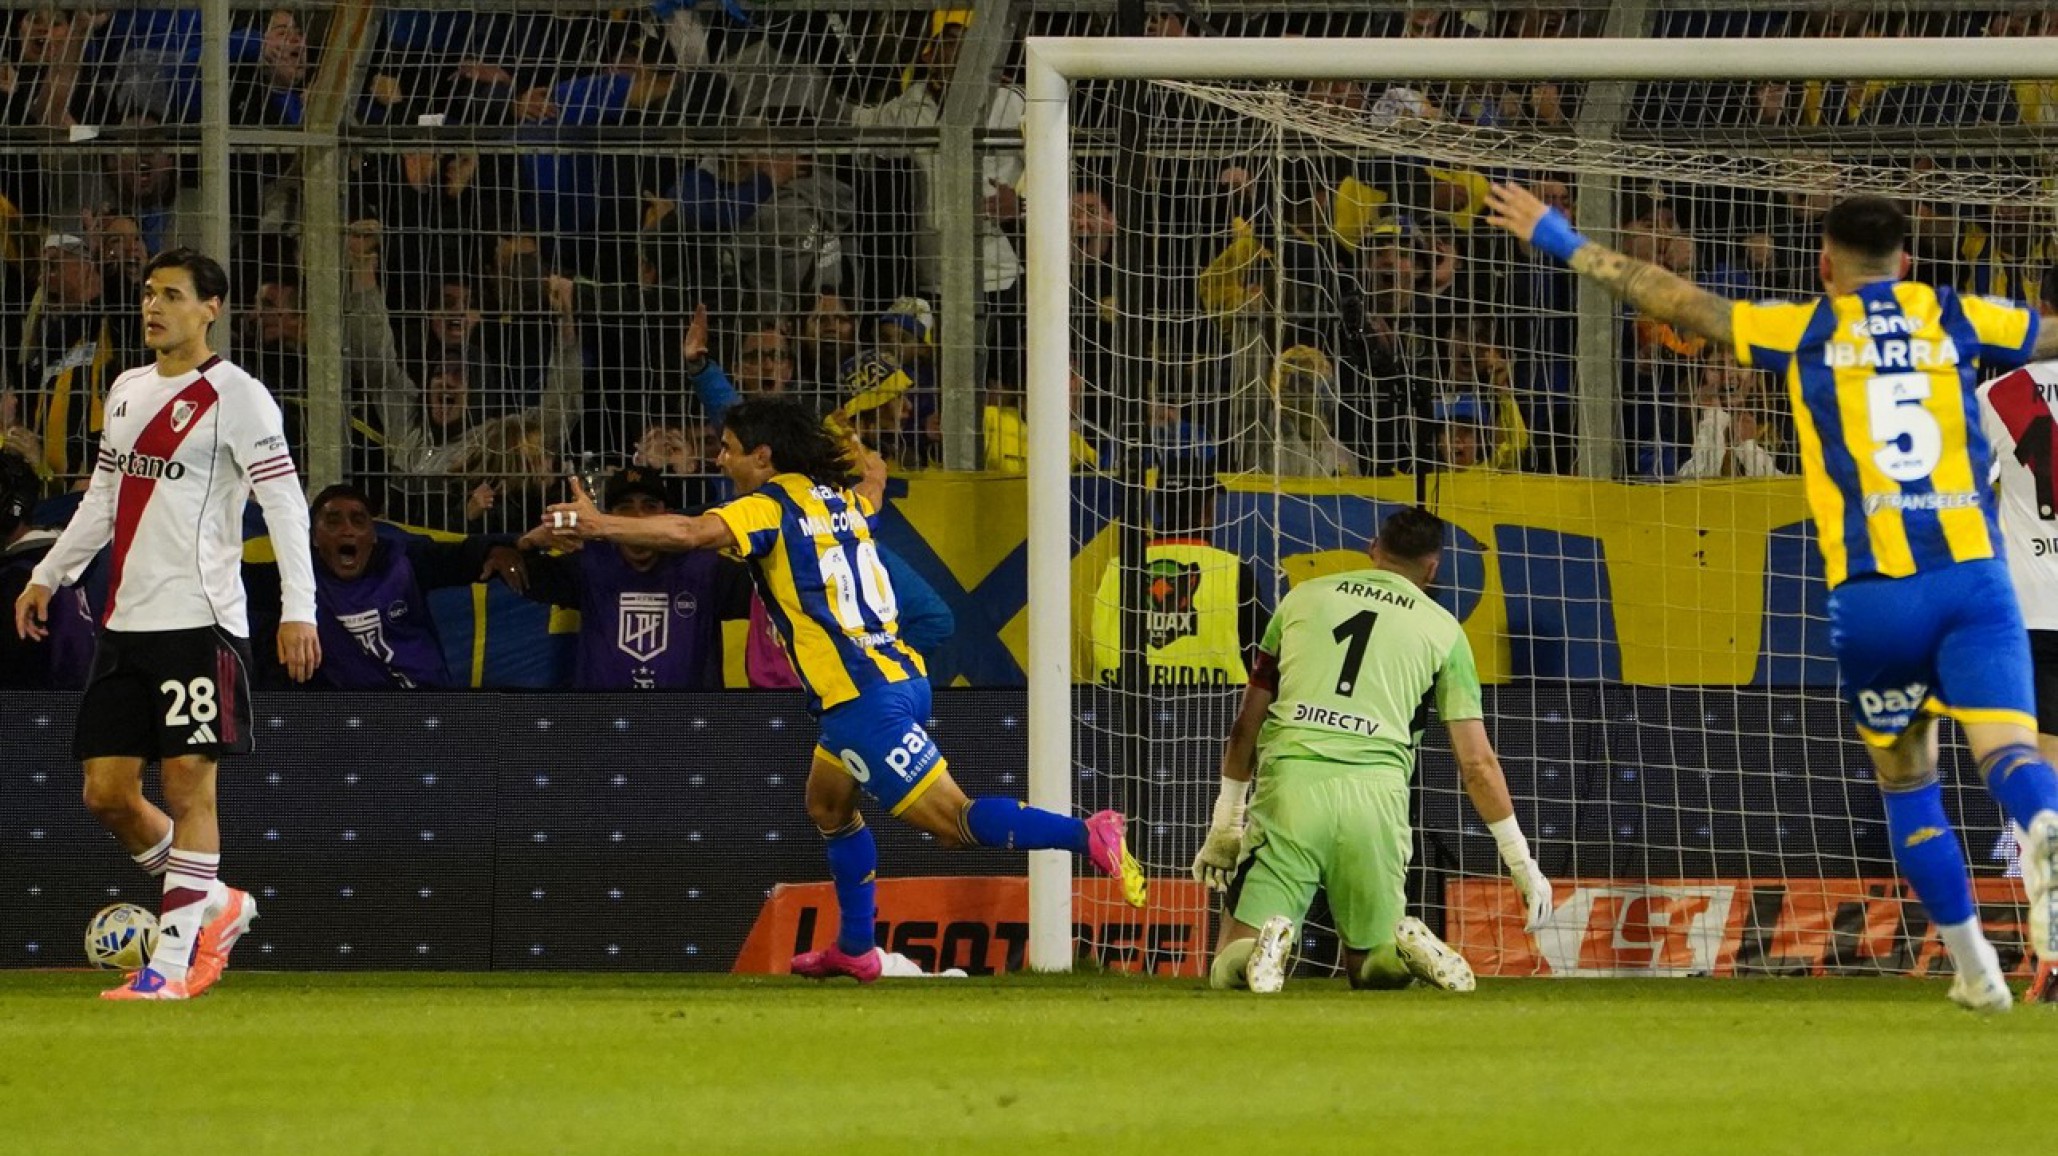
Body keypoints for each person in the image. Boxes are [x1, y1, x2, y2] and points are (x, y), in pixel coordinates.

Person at [1485, 182, 2058, 1012]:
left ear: (1824, 265)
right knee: (2011, 756)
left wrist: (1560, 238)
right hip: (1974, 581)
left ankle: (1976, 971)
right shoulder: (1953, 317)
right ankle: (2044, 829)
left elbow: (1674, 299)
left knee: (1908, 783)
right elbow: (2047, 331)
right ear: (1907, 262)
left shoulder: (1806, 328)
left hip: (1875, 596)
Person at [542, 395, 1146, 982]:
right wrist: (859, 451)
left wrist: (600, 525)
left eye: (728, 449)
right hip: (894, 679)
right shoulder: (843, 501)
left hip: (862, 699)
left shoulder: (768, 506)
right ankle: (856, 949)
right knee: (828, 806)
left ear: (763, 456)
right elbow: (875, 481)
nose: (720, 459)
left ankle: (1088, 834)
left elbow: (691, 533)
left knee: (953, 824)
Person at [11, 248, 321, 1001]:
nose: (153, 307)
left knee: (189, 789)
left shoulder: (238, 397)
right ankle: (216, 903)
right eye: (150, 294)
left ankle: (171, 968)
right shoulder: (126, 389)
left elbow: (284, 506)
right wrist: (48, 573)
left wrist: (299, 608)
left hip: (200, 622)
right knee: (106, 794)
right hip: (126, 624)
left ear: (211, 309)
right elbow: (103, 499)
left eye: (172, 295)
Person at [1193, 507, 1552, 993]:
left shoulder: (1303, 598)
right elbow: (1477, 764)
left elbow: (1244, 729)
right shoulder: (1444, 631)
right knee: (1371, 969)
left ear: (1373, 549)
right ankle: (1404, 953)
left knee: (1229, 964)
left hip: (1293, 787)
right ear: (1432, 568)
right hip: (1377, 799)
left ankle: (1264, 947)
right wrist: (1521, 863)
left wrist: (1226, 824)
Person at [252, 482, 520, 690]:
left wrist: (494, 550)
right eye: (333, 521)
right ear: (314, 537)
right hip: (340, 717)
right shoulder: (296, 579)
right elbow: (238, 580)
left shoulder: (403, 560)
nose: (347, 530)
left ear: (373, 536)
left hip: (421, 704)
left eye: (358, 521)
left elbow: (458, 556)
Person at [1975, 359, 2058, 1003]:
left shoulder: (1998, 393)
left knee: (2045, 796)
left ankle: (2055, 955)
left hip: (2035, 617)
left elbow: (1964, 497)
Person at [512, 465, 748, 690]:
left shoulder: (706, 567)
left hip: (687, 716)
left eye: (650, 507)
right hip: (605, 716)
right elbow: (525, 578)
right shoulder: (590, 564)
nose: (637, 517)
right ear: (609, 518)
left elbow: (762, 592)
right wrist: (526, 543)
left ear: (668, 516)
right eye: (625, 508)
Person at [1090, 467, 1263, 688]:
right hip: (1214, 705)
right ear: (1207, 512)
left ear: (1160, 507)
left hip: (1120, 703)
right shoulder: (1233, 571)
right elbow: (1261, 661)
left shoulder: (1117, 569)